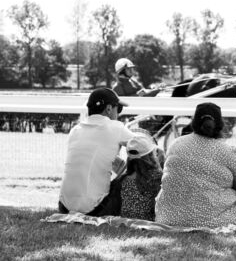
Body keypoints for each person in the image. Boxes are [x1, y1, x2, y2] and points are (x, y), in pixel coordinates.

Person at [155, 102, 236, 228]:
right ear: (220, 124)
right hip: (207, 220)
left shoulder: (175, 144)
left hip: (167, 217)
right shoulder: (228, 152)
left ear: (194, 123)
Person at [58, 87, 135, 216]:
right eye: (119, 109)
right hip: (94, 209)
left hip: (64, 207)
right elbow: (146, 147)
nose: (119, 114)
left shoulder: (75, 130)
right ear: (109, 109)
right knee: (142, 162)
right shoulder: (115, 127)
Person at [120, 130, 165, 221]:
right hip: (148, 221)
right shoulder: (157, 177)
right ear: (151, 154)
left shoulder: (124, 179)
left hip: (127, 220)